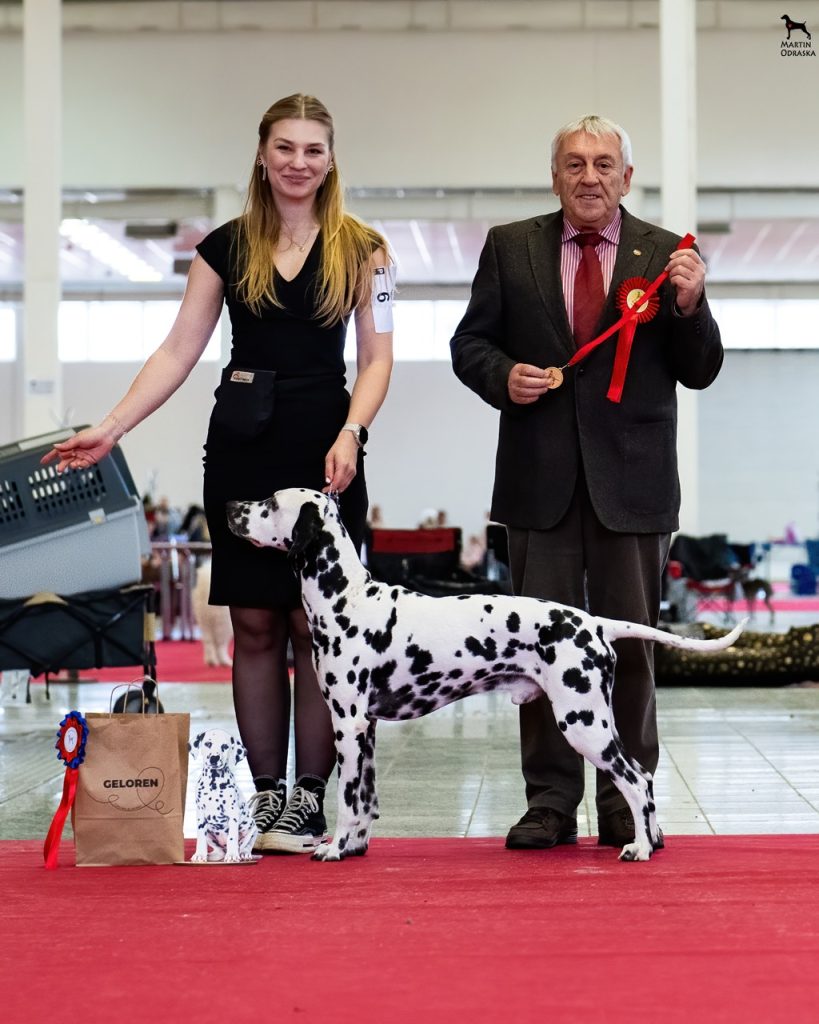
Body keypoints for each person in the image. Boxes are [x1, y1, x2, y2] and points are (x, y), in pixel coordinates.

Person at [43, 94, 394, 855]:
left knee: (316, 629)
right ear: (262, 156)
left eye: (313, 149)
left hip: (327, 448)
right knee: (255, 623)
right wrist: (111, 426)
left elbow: (377, 358)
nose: (298, 162)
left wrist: (353, 433)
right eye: (285, 147)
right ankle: (267, 800)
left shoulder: (365, 250)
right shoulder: (224, 248)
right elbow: (178, 350)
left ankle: (310, 800)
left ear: (331, 159)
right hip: (242, 449)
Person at [450, 114, 723, 851]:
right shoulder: (509, 247)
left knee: (628, 648)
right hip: (536, 486)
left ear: (626, 178)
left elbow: (700, 369)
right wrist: (503, 375)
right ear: (554, 176)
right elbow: (468, 343)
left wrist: (691, 306)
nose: (589, 176)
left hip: (632, 488)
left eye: (604, 164)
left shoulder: (666, 255)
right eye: (574, 163)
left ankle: (626, 801)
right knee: (536, 650)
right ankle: (549, 802)